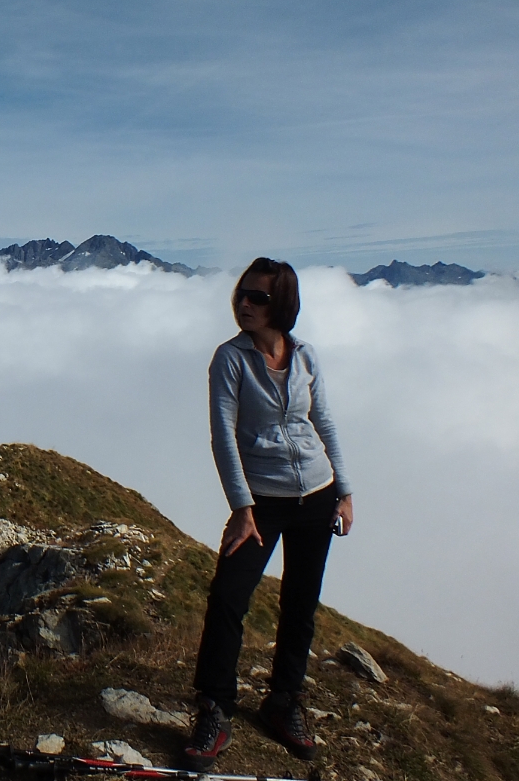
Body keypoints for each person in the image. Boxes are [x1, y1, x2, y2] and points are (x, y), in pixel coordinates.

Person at [182, 257, 354, 771]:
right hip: (262, 502)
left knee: (301, 607)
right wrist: (242, 508)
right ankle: (214, 708)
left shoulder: (305, 357)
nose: (245, 305)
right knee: (228, 598)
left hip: (317, 494)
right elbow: (224, 437)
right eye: (242, 295)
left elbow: (324, 422)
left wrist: (344, 491)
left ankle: (283, 704)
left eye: (258, 297)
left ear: (281, 303)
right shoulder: (230, 359)